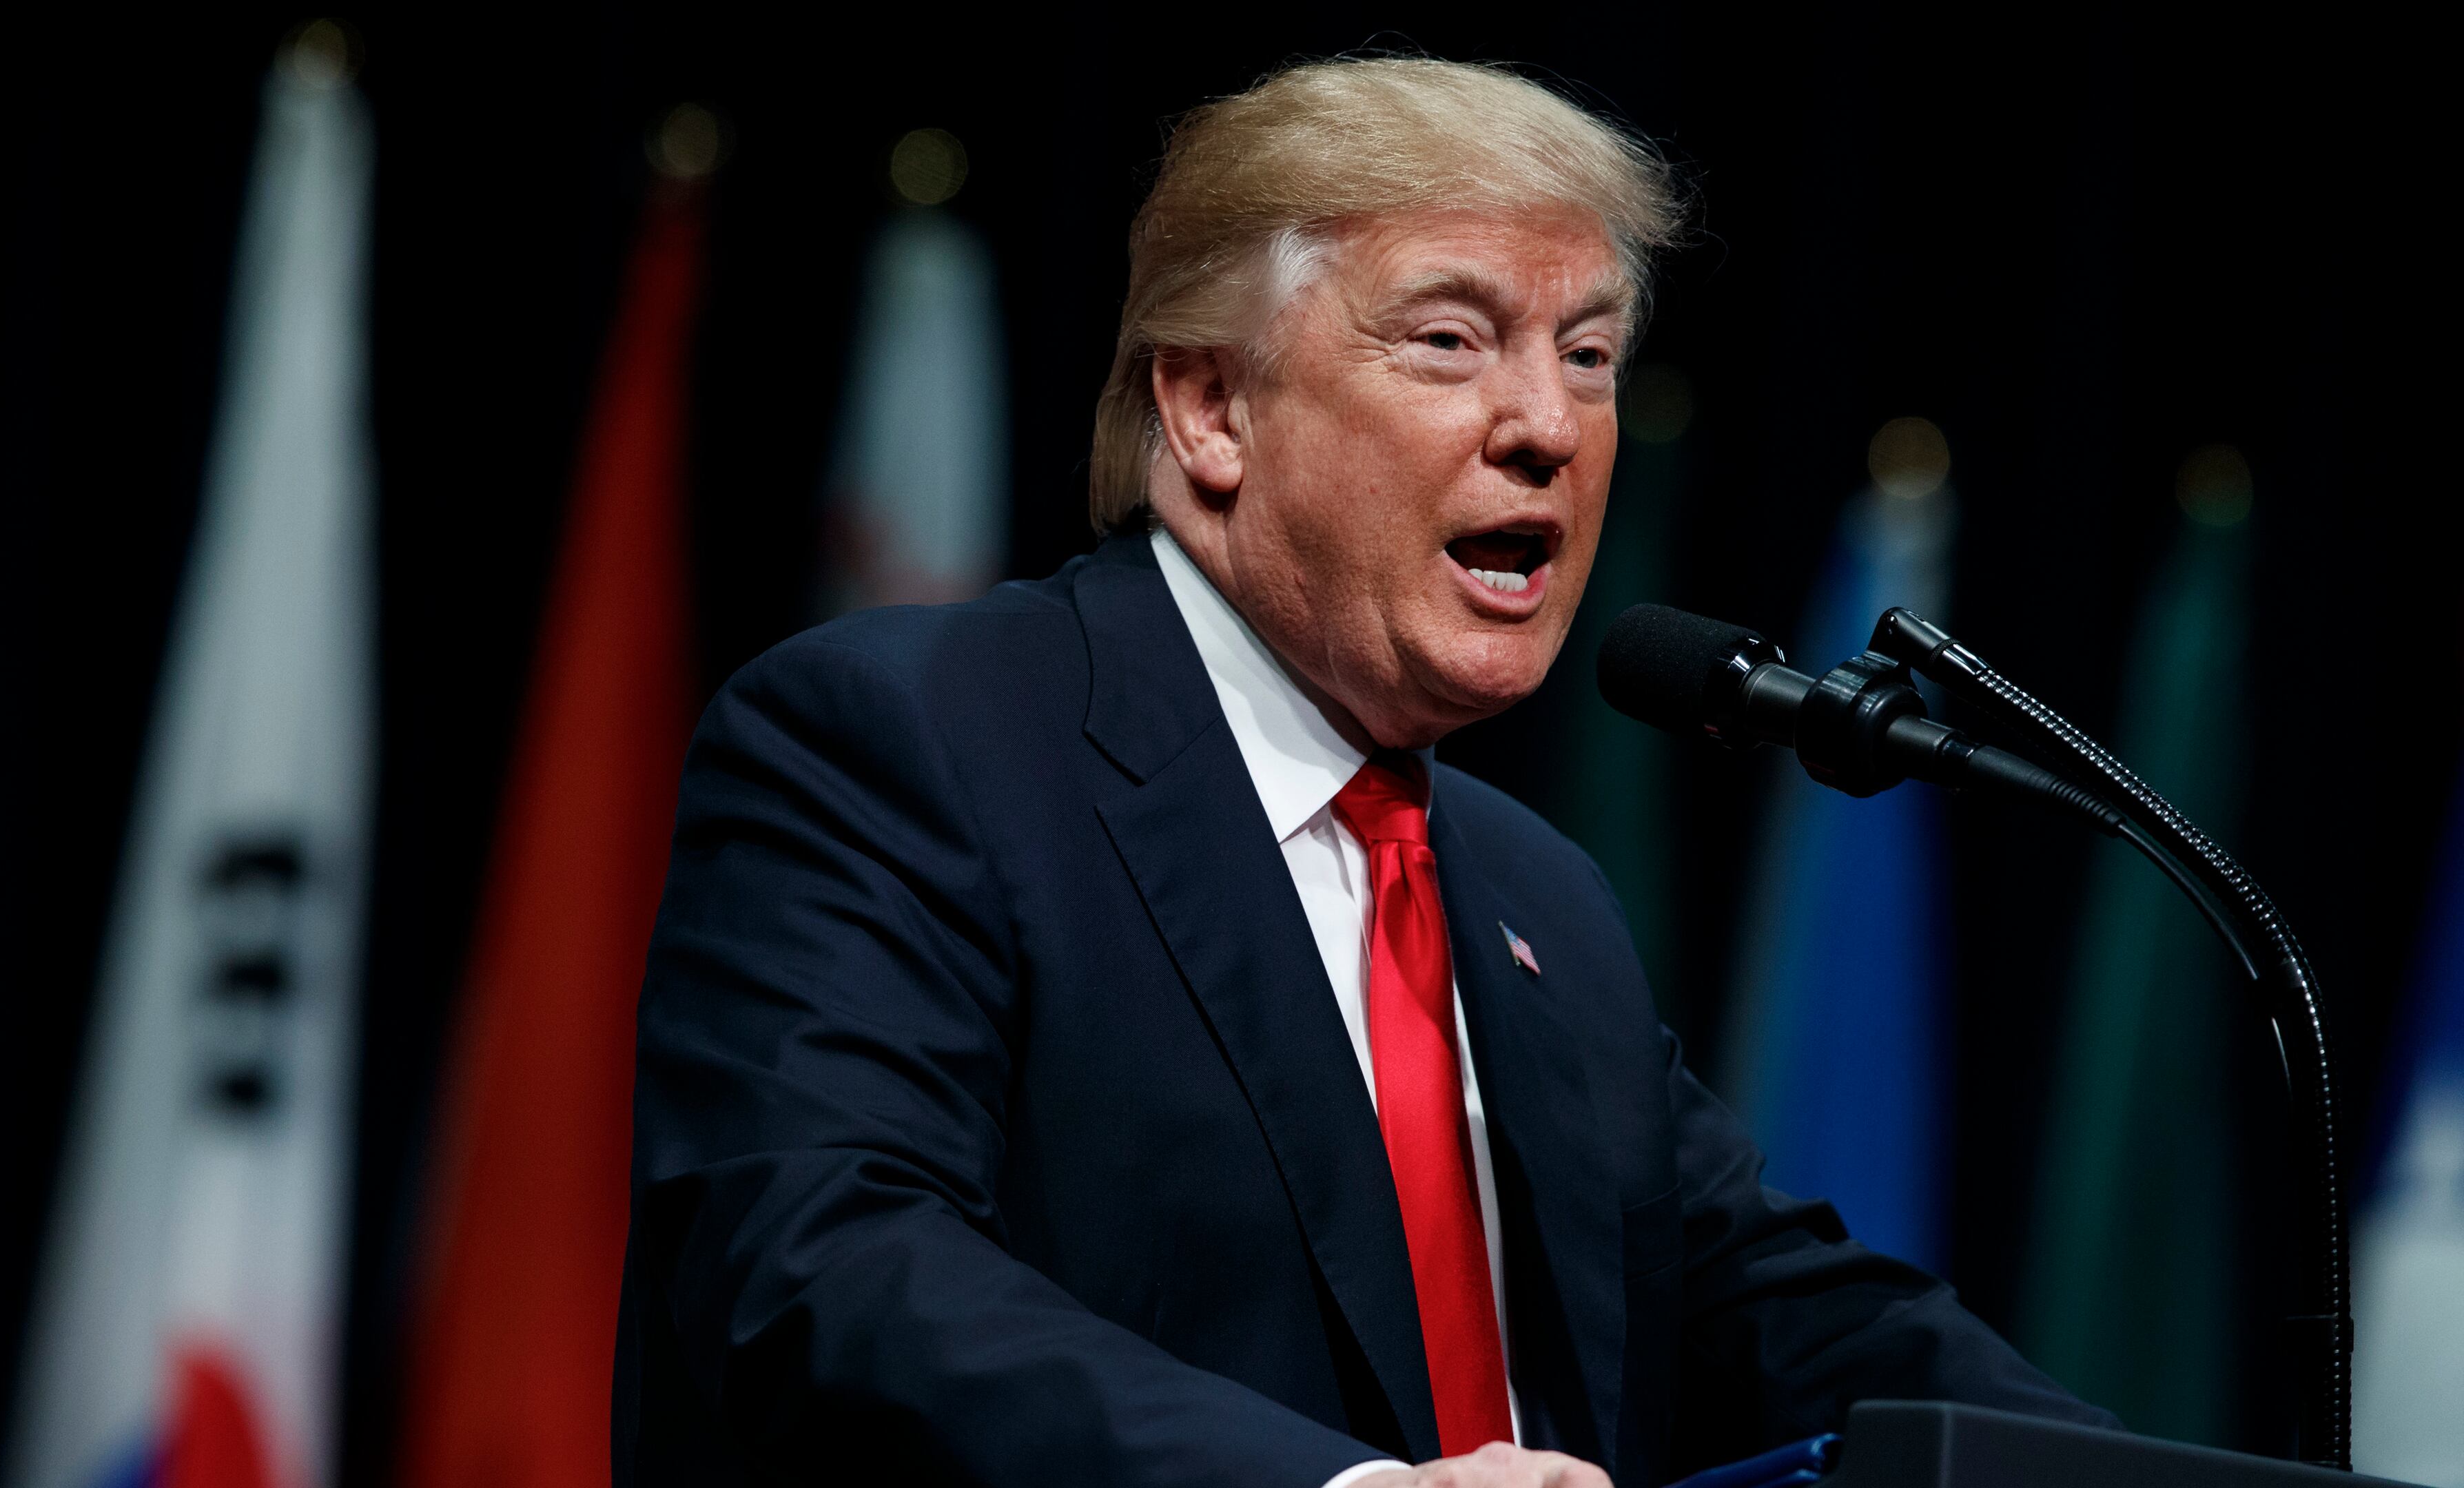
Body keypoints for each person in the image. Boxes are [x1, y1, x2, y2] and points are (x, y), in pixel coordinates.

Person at [613, 56, 2113, 1488]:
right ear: (1211, 408)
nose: (1549, 428)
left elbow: (1793, 1315)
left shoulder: (1535, 900)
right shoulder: (910, 740)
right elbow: (825, 1263)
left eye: (1589, 356)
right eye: (1450, 340)